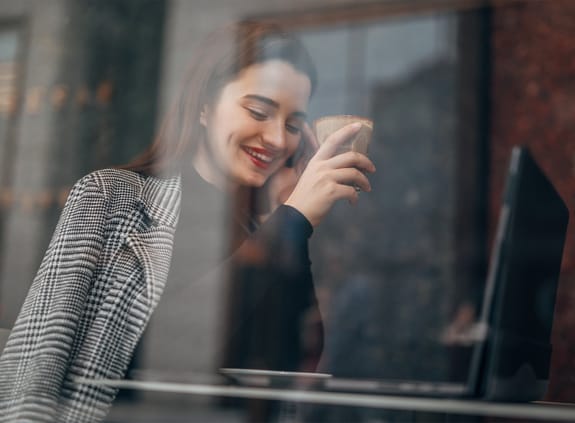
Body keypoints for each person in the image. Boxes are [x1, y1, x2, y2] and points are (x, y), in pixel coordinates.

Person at [0, 21, 375, 422]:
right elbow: (33, 372)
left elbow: (289, 364)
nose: (278, 139)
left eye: (293, 125)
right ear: (205, 105)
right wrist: (291, 221)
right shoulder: (111, 196)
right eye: (259, 111)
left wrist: (292, 228)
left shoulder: (269, 228)